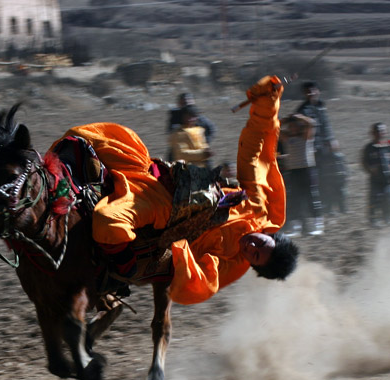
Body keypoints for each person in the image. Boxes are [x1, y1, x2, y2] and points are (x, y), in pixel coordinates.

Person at [52, 76, 297, 305]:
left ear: (252, 265)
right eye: (261, 243)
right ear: (270, 234)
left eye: (254, 255)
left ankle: (122, 270)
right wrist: (267, 103)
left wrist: (181, 245)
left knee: (109, 222)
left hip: (161, 208)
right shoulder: (257, 206)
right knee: (90, 137)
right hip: (162, 176)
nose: (251, 246)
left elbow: (201, 282)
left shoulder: (230, 262)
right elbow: (255, 153)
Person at [295, 81, 341, 216]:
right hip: (312, 150)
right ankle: (317, 208)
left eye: (313, 90)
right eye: (308, 91)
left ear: (318, 91)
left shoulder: (321, 106)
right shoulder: (302, 110)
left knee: (329, 177)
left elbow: (326, 125)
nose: (311, 93)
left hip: (326, 148)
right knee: (315, 179)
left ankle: (330, 206)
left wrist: (332, 139)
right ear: (304, 93)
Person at [277, 113, 323, 237]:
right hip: (293, 171)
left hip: (307, 170)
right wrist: (285, 120)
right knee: (294, 199)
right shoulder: (286, 138)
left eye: (295, 126)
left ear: (299, 126)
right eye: (290, 126)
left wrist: (300, 117)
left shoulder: (306, 136)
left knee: (311, 197)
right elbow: (274, 127)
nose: (293, 128)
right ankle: (295, 227)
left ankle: (317, 225)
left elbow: (312, 123)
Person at [361, 122, 390, 227]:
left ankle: (389, 218)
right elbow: (364, 162)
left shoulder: (389, 147)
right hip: (376, 179)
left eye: (382, 130)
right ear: (373, 133)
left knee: (389, 198)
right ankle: (373, 220)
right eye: (378, 131)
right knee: (375, 199)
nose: (380, 133)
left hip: (388, 178)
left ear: (386, 132)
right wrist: (370, 169)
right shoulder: (369, 148)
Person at [166, 92, 216, 160]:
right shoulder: (175, 117)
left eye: (189, 102)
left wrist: (203, 141)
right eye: (184, 103)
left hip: (198, 151)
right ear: (179, 104)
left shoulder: (198, 115)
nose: (187, 104)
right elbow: (171, 133)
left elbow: (211, 129)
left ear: (193, 102)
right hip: (179, 152)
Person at [168, 104, 213, 168]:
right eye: (188, 117)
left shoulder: (199, 130)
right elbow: (181, 154)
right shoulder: (179, 134)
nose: (190, 119)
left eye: (193, 117)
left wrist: (207, 153)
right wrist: (203, 154)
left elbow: (204, 147)